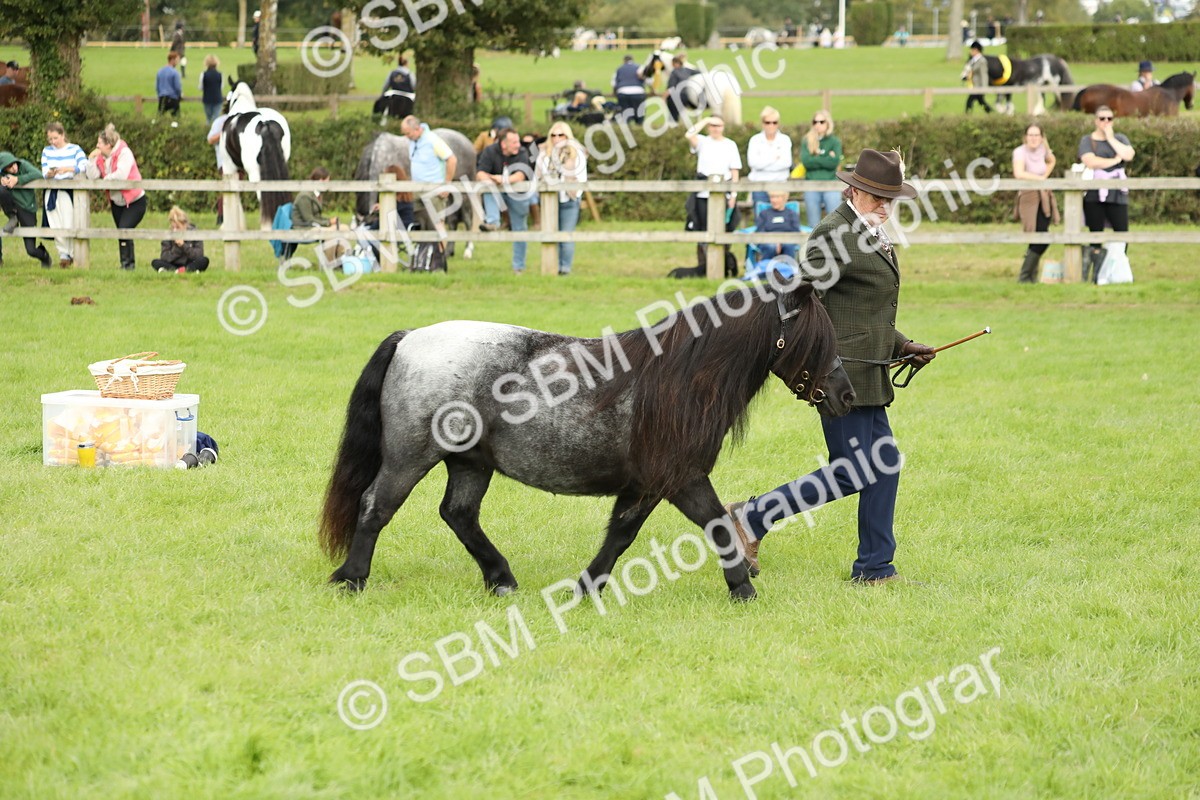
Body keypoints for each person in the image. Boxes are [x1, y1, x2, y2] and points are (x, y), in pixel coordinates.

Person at [726, 149, 937, 584]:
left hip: (868, 369)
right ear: (855, 191)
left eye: (890, 199)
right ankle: (751, 516)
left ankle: (875, 567)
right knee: (855, 470)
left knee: (884, 463)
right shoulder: (833, 233)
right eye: (877, 197)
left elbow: (864, 310)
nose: (885, 206)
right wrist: (817, 365)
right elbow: (800, 303)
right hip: (839, 374)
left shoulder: (868, 232)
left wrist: (903, 345)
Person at [1078, 105, 1135, 283]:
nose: (1105, 122)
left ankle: (1117, 270)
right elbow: (1089, 161)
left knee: (1122, 231)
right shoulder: (1088, 140)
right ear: (1096, 120)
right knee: (1096, 233)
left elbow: (1128, 155)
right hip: (1095, 194)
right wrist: (1113, 161)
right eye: (1102, 119)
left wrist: (1110, 138)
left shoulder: (1120, 138)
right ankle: (1095, 274)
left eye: (1109, 119)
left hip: (1117, 193)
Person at [84, 124, 146, 270]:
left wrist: (105, 181)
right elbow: (93, 176)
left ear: (109, 145)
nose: (97, 146)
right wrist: (91, 159)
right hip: (117, 201)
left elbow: (121, 175)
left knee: (124, 229)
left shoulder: (124, 152)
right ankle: (127, 265)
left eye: (99, 143)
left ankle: (127, 265)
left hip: (135, 200)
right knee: (122, 232)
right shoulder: (101, 157)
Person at [685, 115, 741, 268]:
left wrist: (734, 195)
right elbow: (689, 134)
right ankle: (703, 265)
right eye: (713, 125)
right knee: (703, 228)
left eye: (719, 125)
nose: (716, 129)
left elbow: (734, 171)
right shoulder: (703, 142)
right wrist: (705, 120)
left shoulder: (730, 145)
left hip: (725, 193)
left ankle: (722, 263)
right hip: (703, 194)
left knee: (724, 229)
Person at [477, 127, 535, 274]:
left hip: (517, 193)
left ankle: (518, 267)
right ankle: (492, 222)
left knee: (519, 229)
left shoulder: (522, 152)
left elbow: (521, 175)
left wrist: (503, 180)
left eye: (517, 141)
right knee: (488, 189)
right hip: (497, 190)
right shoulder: (490, 151)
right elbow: (480, 173)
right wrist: (488, 181)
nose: (518, 144)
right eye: (514, 142)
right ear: (504, 144)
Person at [534, 121, 588, 275]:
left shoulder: (576, 153)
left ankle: (565, 268)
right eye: (553, 135)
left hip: (568, 200)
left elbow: (581, 179)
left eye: (560, 134)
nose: (557, 138)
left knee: (566, 235)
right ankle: (552, 267)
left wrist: (573, 194)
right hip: (548, 200)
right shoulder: (544, 155)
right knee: (551, 235)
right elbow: (536, 176)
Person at [401, 115, 456, 251]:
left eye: (408, 133)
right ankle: (424, 256)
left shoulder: (433, 140)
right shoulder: (413, 141)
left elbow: (452, 159)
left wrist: (446, 184)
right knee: (418, 222)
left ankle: (440, 257)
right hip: (416, 189)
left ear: (417, 129)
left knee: (438, 224)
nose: (406, 136)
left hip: (434, 189)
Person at [1012, 123, 1059, 283]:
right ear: (1025, 137)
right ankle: (1025, 276)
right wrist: (1040, 179)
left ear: (1041, 137)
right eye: (1030, 135)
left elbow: (1052, 160)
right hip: (1028, 196)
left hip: (1043, 196)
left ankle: (1029, 276)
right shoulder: (1019, 152)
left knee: (1043, 234)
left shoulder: (1043, 150)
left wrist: (1044, 176)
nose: (1033, 138)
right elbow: (1019, 173)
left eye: (1036, 135)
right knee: (1036, 235)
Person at [41, 122, 88, 268]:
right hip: (52, 189)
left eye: (55, 138)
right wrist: (50, 173)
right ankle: (63, 255)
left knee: (69, 221)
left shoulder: (75, 149)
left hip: (68, 189)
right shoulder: (47, 151)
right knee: (56, 223)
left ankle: (73, 253)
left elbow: (85, 165)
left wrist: (68, 169)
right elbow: (44, 170)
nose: (53, 142)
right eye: (50, 139)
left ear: (62, 135)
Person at [0, 149, 52, 267]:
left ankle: (44, 255)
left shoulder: (23, 164)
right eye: (8, 168)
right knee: (1, 190)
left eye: (13, 164)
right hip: (14, 207)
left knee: (31, 250)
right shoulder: (3, 174)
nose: (13, 169)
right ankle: (12, 217)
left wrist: (18, 179)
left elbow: (38, 174)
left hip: (27, 208)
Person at [290, 166, 346, 263]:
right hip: (304, 228)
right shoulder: (305, 196)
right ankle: (330, 262)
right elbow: (309, 219)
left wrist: (329, 222)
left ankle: (341, 260)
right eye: (327, 182)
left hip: (313, 225)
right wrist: (328, 222)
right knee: (330, 233)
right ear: (320, 180)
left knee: (344, 228)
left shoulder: (317, 195)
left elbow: (317, 218)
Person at [800, 109, 843, 230]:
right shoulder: (807, 140)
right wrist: (826, 157)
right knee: (813, 224)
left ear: (828, 123)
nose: (818, 124)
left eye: (821, 121)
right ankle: (814, 248)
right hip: (812, 185)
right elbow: (806, 162)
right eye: (815, 122)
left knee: (834, 221)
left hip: (830, 184)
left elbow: (834, 163)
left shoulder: (834, 141)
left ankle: (834, 246)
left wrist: (816, 157)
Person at [746, 106, 793, 207]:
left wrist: (763, 162)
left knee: (780, 220)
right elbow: (753, 163)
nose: (771, 125)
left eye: (774, 122)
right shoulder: (755, 140)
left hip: (780, 185)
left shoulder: (785, 140)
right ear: (762, 123)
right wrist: (774, 158)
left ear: (778, 124)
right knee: (761, 219)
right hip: (759, 186)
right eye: (767, 122)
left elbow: (786, 163)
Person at [153, 206, 208, 273]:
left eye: (178, 227)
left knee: (204, 260)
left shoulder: (194, 233)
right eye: (173, 227)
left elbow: (198, 255)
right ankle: (179, 271)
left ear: (185, 225)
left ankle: (184, 270)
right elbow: (165, 257)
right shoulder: (169, 235)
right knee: (155, 262)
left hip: (189, 263)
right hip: (173, 263)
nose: (175, 230)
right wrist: (177, 248)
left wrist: (184, 246)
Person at [754, 191, 801, 264]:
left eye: (777, 197)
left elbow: (796, 232)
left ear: (784, 198)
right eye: (772, 197)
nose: (774, 200)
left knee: (788, 245)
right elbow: (760, 232)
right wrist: (774, 241)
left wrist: (781, 241)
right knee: (771, 247)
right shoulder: (764, 214)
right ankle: (766, 272)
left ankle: (788, 272)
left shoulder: (791, 214)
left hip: (787, 240)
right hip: (767, 241)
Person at [612, 54, 646, 124]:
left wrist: (614, 93)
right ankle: (640, 128)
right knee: (639, 114)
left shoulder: (619, 69)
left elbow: (613, 83)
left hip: (623, 92)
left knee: (625, 115)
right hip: (638, 92)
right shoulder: (639, 67)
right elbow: (648, 80)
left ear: (624, 61)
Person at [665, 54, 698, 123]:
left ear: (675, 63)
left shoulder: (674, 72)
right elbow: (699, 71)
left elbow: (671, 87)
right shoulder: (687, 70)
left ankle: (674, 129)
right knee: (683, 114)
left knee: (673, 116)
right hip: (685, 97)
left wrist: (663, 97)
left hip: (675, 97)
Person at [964, 41, 992, 114]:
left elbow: (984, 75)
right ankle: (992, 113)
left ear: (976, 50)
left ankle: (967, 116)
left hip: (979, 86)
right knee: (981, 102)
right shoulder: (973, 60)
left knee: (969, 101)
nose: (970, 51)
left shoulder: (982, 61)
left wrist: (984, 88)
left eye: (972, 50)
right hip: (975, 86)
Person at [156, 52, 183, 119]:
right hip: (172, 98)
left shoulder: (160, 71)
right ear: (172, 60)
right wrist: (179, 95)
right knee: (176, 120)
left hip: (162, 98)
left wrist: (159, 95)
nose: (177, 62)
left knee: (160, 119)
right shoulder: (174, 72)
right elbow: (177, 87)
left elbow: (157, 87)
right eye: (177, 60)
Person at [200, 54, 223, 124]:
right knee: (216, 118)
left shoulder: (203, 74)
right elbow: (221, 86)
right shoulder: (220, 74)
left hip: (207, 99)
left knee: (208, 119)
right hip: (217, 98)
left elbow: (201, 87)